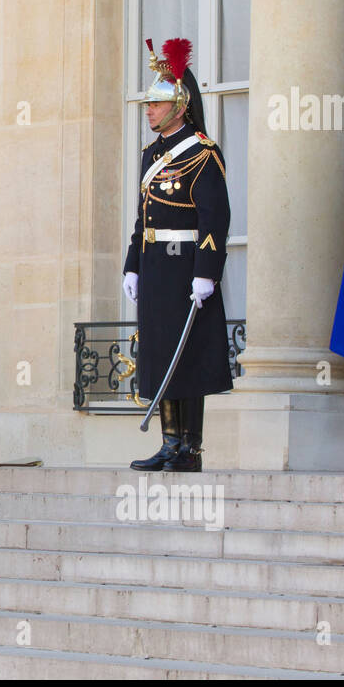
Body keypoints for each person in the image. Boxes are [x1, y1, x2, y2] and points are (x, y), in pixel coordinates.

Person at [123, 39, 233, 473]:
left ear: (180, 106)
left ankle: (190, 447)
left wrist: (207, 271)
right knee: (160, 351)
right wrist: (133, 264)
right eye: (148, 103)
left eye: (157, 103)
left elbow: (215, 217)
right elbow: (141, 216)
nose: (148, 109)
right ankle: (170, 442)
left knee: (187, 355)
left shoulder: (203, 153)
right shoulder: (151, 155)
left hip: (187, 265)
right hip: (155, 266)